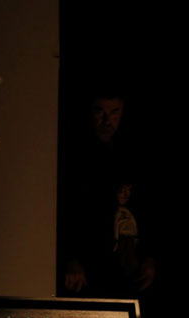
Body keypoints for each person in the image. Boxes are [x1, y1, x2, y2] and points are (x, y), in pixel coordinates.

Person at [59, 93, 155, 299]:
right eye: (100, 111)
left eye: (114, 112)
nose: (106, 120)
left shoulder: (133, 154)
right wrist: (70, 259)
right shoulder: (73, 155)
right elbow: (65, 210)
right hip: (90, 272)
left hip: (128, 272)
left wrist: (149, 258)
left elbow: (148, 207)